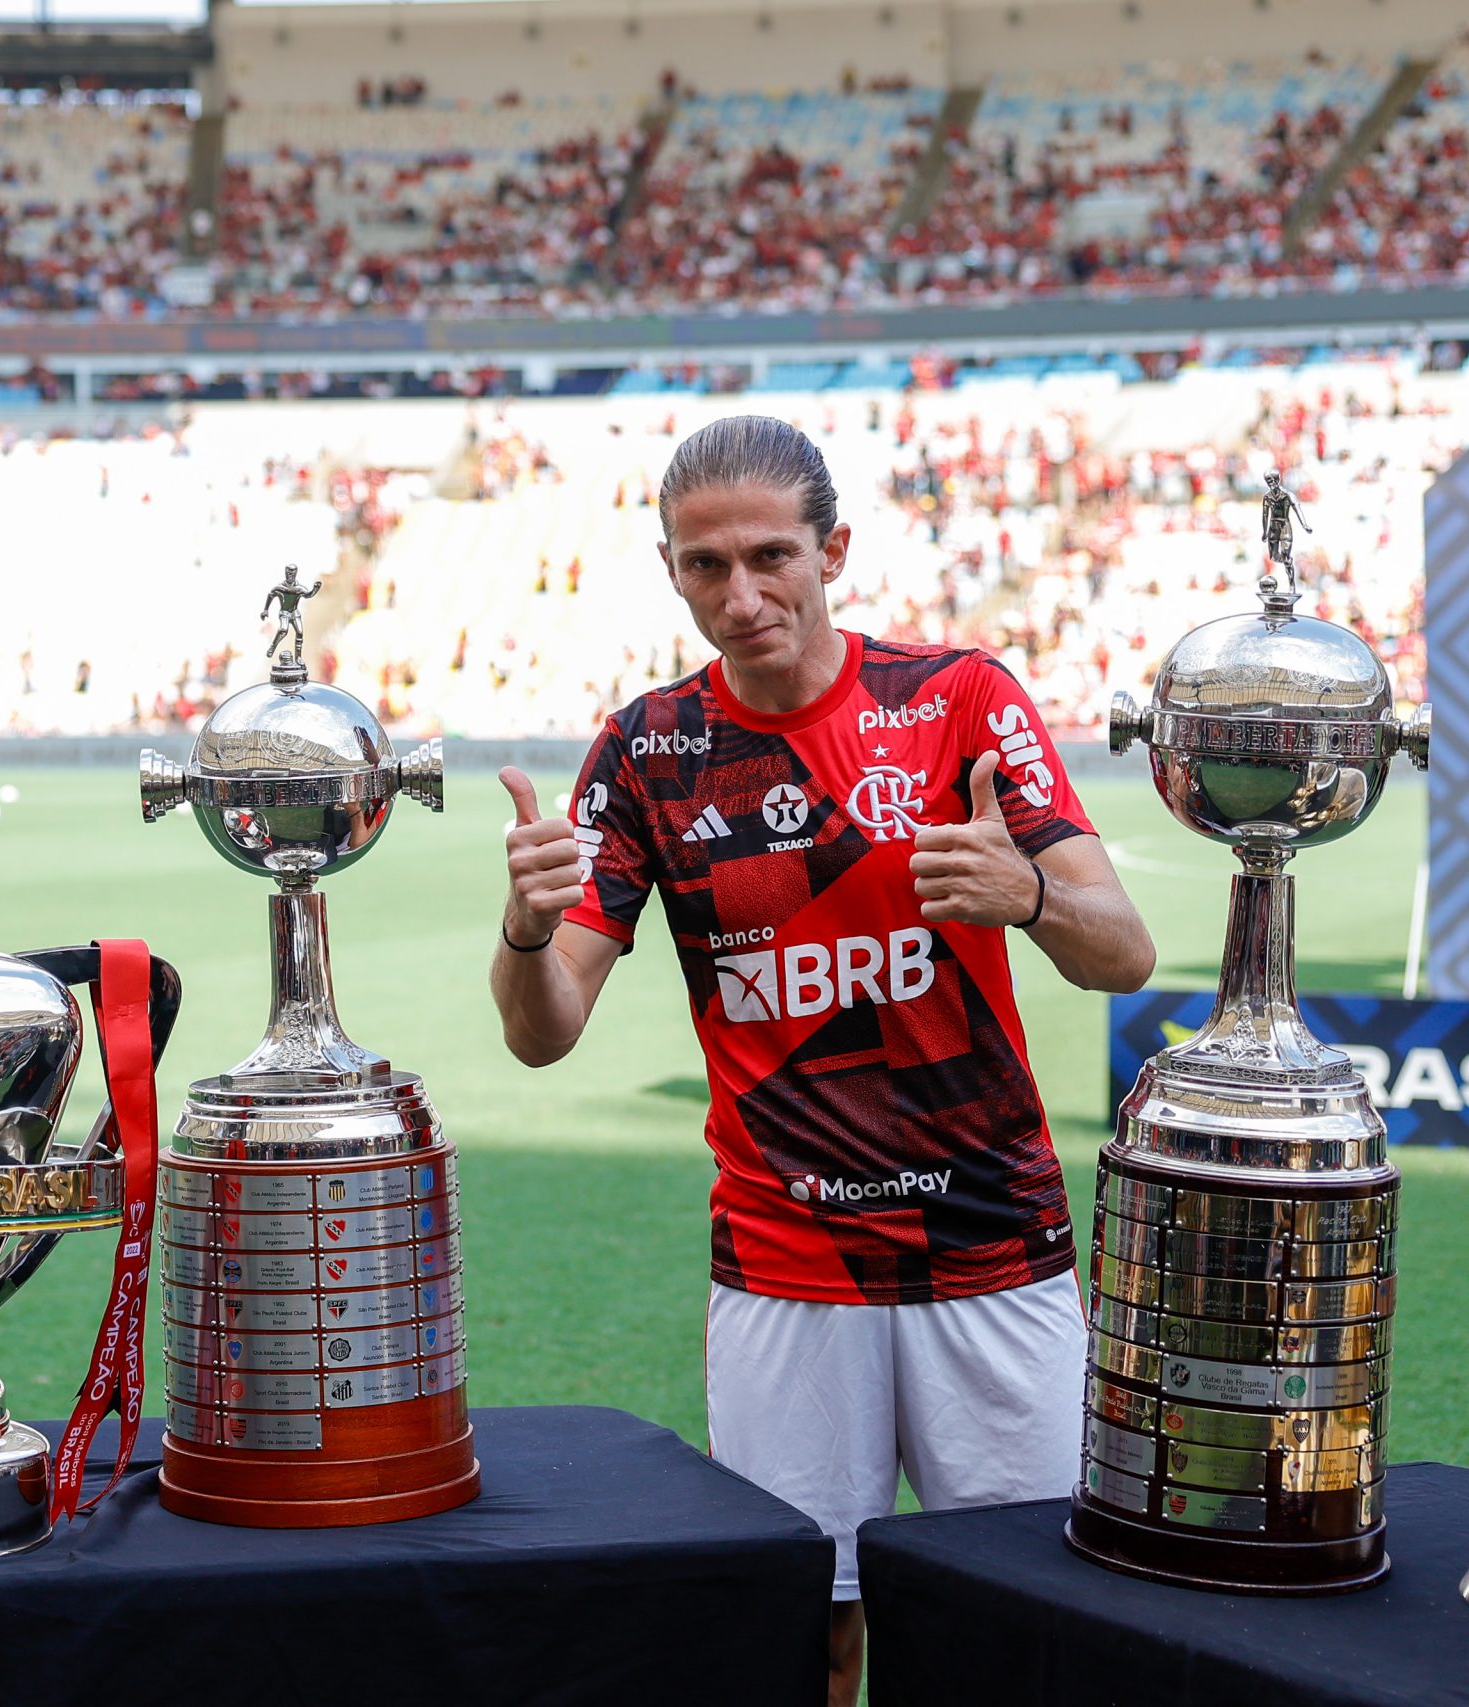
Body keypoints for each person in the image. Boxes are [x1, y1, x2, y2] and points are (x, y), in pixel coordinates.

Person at [489, 416, 1154, 1707]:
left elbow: (1121, 953)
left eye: (771, 556)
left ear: (834, 548)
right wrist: (523, 932)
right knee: (806, 1633)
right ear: (672, 572)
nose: (743, 598)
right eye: (705, 567)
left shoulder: (958, 699)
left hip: (993, 1251)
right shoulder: (646, 753)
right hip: (789, 1273)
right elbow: (543, 1026)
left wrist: (1028, 894)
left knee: (1031, 1626)